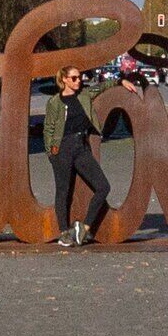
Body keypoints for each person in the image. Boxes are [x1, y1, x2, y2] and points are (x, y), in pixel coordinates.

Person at [42, 66, 112, 247]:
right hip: (62, 149)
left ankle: (84, 228)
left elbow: (102, 87)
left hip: (81, 147)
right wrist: (51, 152)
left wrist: (122, 81)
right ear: (64, 80)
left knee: (103, 187)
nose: (78, 80)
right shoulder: (55, 102)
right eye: (74, 78)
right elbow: (48, 129)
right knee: (63, 191)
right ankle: (64, 233)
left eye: (79, 77)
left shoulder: (84, 95)